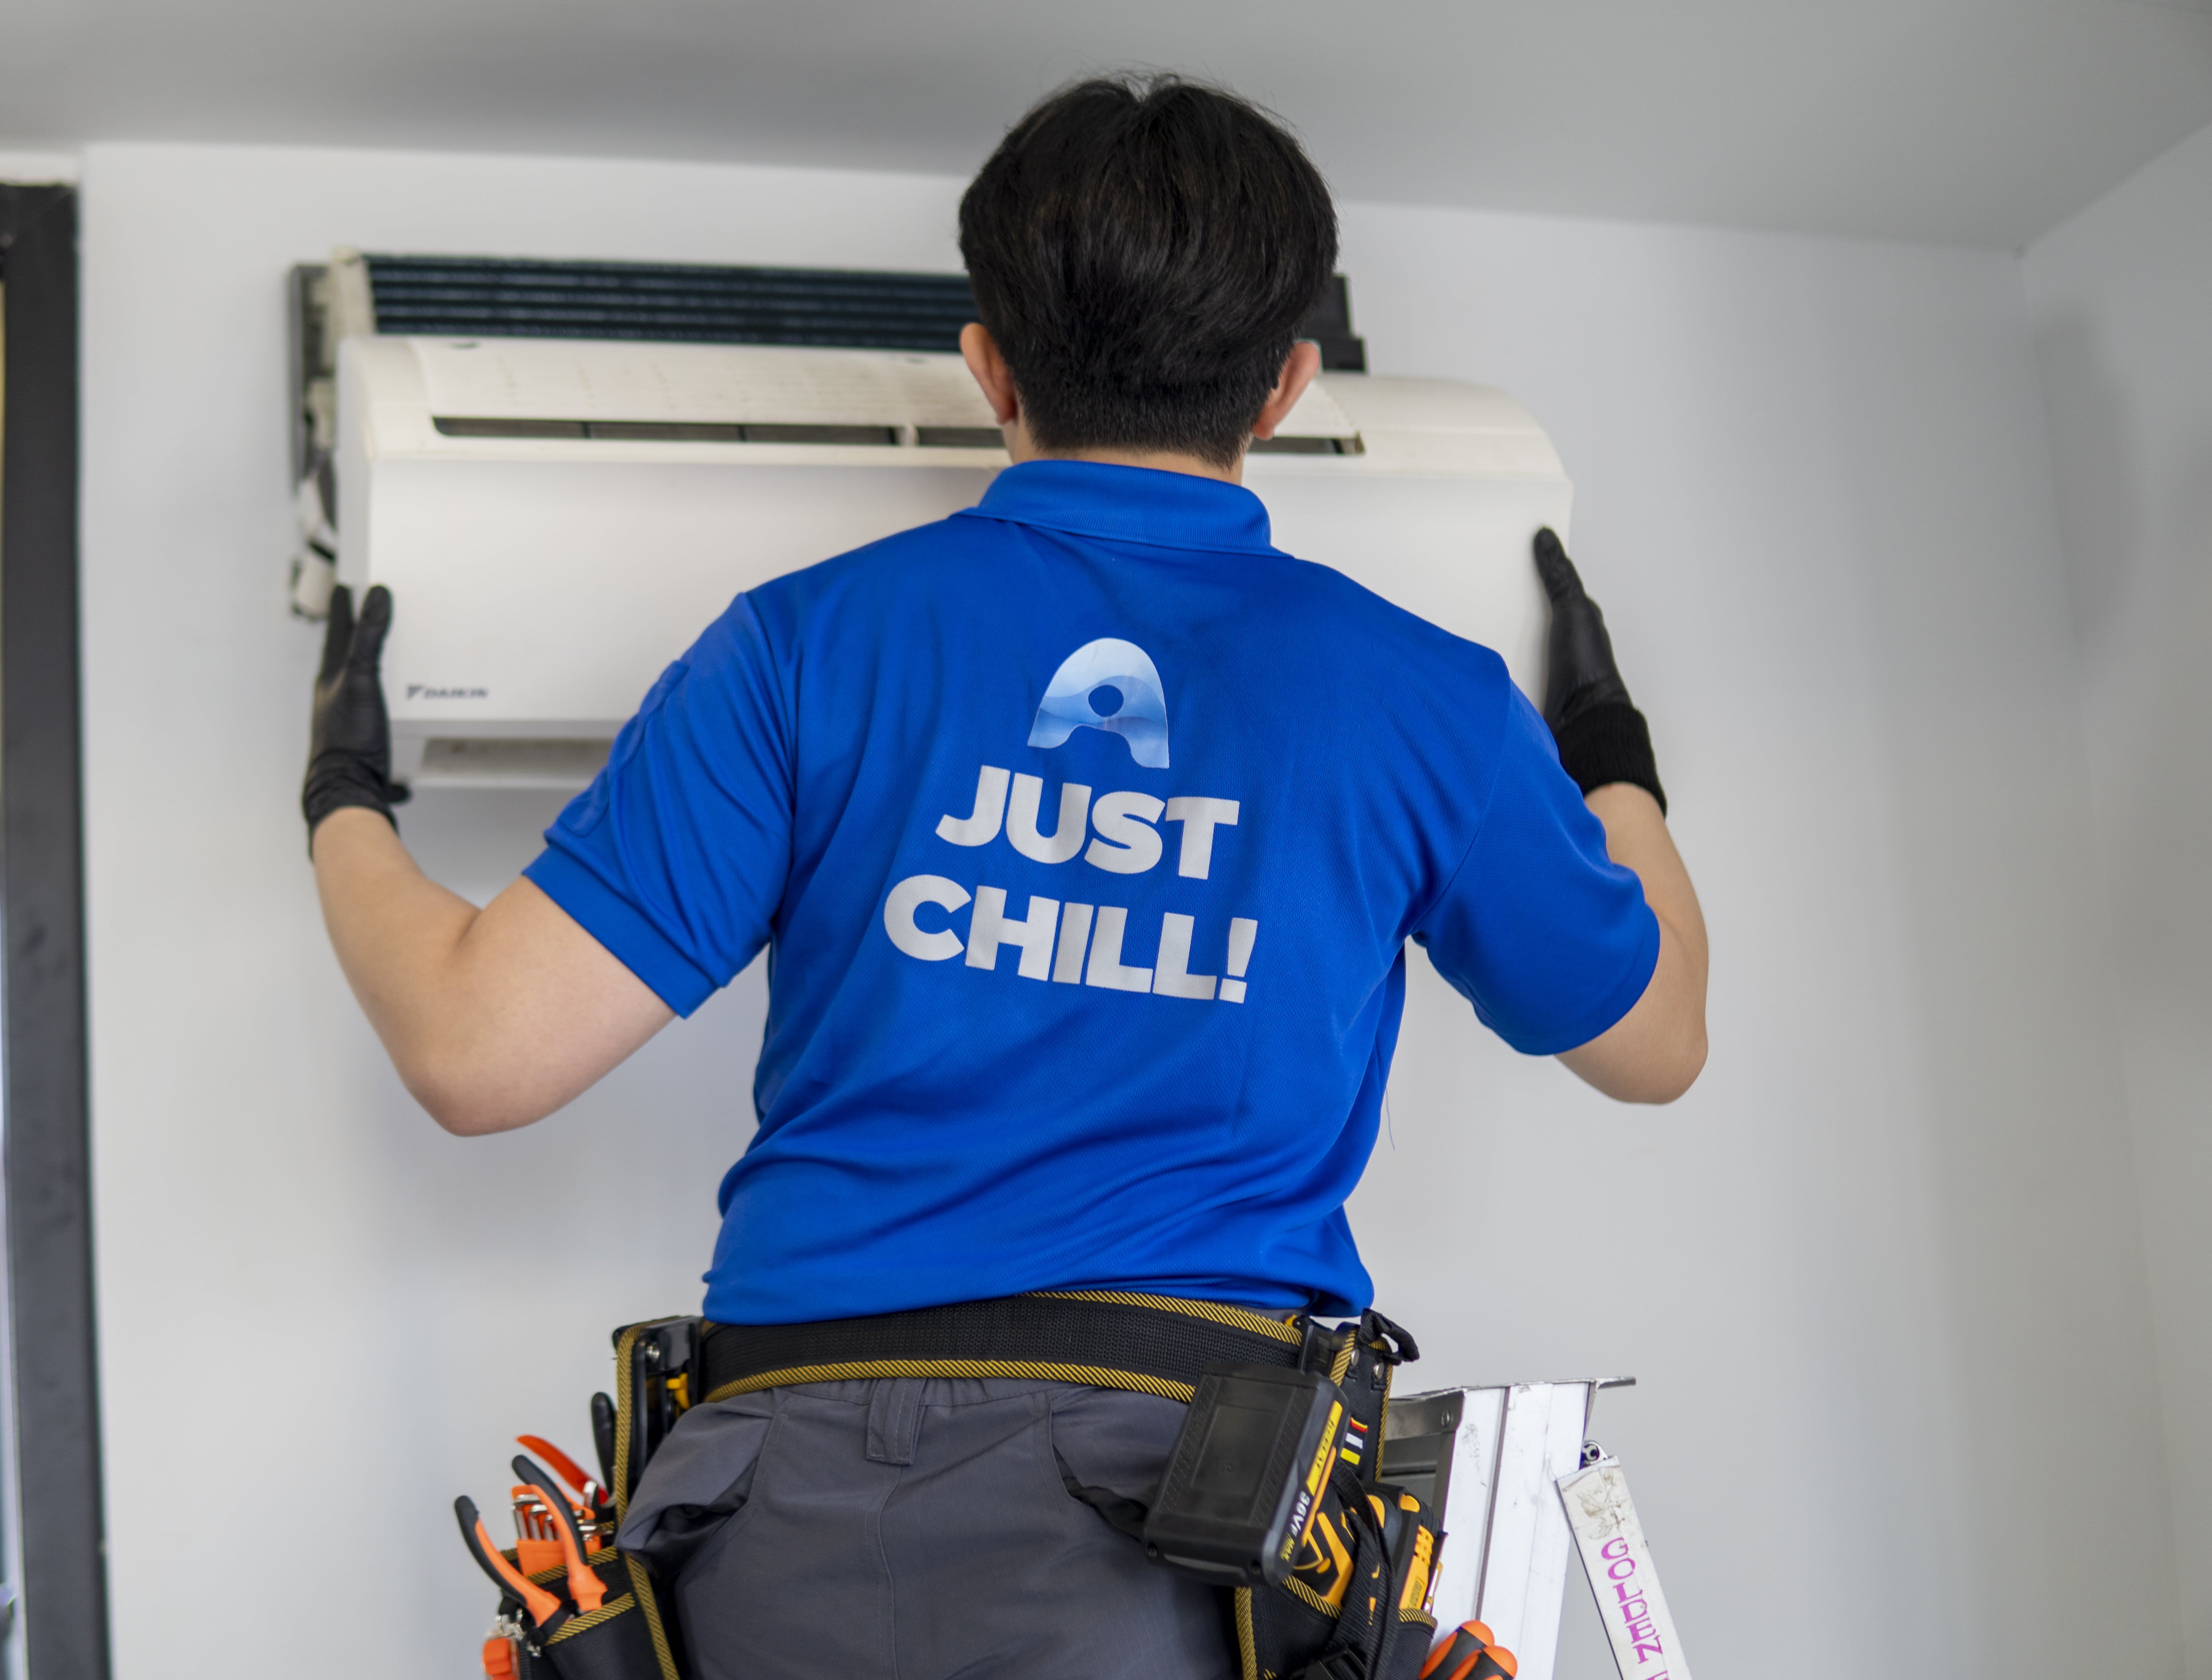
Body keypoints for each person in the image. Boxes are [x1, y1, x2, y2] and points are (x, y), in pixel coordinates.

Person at [304, 76, 1705, 1680]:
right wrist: (1612, 756)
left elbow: (474, 1049)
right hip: (1187, 1522)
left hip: (780, 1508)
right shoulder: (1427, 698)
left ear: (988, 367)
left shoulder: (804, 645)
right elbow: (1655, 1042)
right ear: (1288, 386)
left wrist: (344, 800)